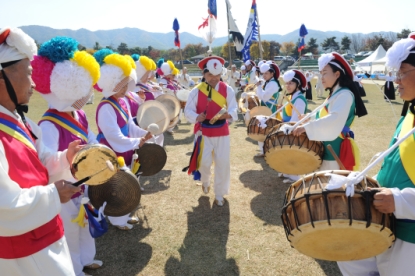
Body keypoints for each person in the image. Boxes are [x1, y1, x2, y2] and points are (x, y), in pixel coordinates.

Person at [0, 27, 81, 275]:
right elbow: (5, 206)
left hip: (41, 233)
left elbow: (41, 160)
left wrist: (66, 158)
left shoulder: (20, 120)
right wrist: (54, 194)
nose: (34, 83)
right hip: (22, 251)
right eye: (28, 73)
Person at [337, 32, 415, 276]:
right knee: (348, 257)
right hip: (386, 221)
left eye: (402, 73)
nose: (396, 80)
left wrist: (399, 201)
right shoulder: (410, 112)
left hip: (410, 235)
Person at [33, 36, 102, 276]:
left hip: (83, 182)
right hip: (64, 187)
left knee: (84, 224)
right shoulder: (49, 123)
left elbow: (91, 136)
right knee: (69, 231)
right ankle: (74, 268)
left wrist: (101, 151)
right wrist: (68, 156)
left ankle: (86, 259)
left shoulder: (80, 115)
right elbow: (48, 160)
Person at [93, 49, 151, 230]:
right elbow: (113, 137)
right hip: (112, 151)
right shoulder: (105, 107)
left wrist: (143, 133)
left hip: (124, 148)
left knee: (125, 184)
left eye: (127, 85)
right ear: (112, 85)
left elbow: (130, 126)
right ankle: (117, 220)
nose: (127, 89)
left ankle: (122, 216)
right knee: (115, 187)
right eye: (123, 85)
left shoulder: (122, 102)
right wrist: (137, 142)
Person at [292, 52, 367, 171]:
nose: (321, 78)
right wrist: (309, 117)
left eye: (325, 73)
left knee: (330, 181)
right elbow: (322, 115)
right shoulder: (335, 93)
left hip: (335, 146)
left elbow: (334, 118)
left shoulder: (345, 94)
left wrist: (307, 126)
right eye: (320, 74)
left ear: (337, 74)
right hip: (326, 143)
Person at [184, 56, 238, 206]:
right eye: (210, 75)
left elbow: (234, 107)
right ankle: (205, 181)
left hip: (222, 131)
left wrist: (229, 114)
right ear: (204, 74)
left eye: (217, 75)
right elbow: (187, 110)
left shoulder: (228, 89)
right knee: (204, 163)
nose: (214, 78)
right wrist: (197, 116)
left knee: (222, 162)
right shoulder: (196, 91)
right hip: (203, 132)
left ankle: (219, 193)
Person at [280, 69, 308, 183]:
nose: (288, 86)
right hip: (288, 126)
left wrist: (287, 127)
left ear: (298, 84)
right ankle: (288, 172)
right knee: (288, 152)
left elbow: (295, 120)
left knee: (293, 152)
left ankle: (294, 176)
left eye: (291, 83)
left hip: (295, 129)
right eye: (286, 83)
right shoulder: (292, 97)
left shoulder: (299, 99)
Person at [254, 62, 283, 157]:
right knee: (264, 130)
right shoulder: (268, 82)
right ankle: (264, 150)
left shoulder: (273, 84)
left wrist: (258, 87)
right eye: (263, 74)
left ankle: (266, 151)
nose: (264, 75)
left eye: (266, 73)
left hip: (269, 110)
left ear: (272, 73)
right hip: (266, 109)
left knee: (266, 130)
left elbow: (264, 97)